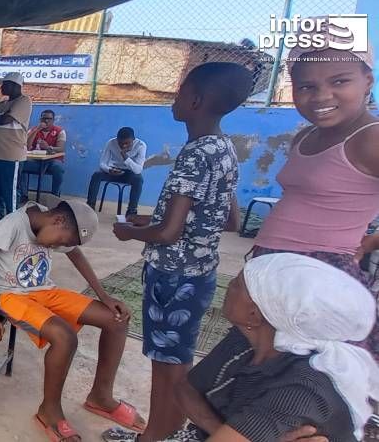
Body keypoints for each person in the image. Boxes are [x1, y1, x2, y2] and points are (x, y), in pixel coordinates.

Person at [110, 62, 253, 442]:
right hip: (201, 271)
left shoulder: (193, 154)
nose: (173, 99)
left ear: (196, 100)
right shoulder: (225, 148)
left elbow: (170, 232)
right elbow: (227, 220)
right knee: (178, 359)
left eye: (178, 91)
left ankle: (152, 437)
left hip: (172, 276)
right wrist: (151, 218)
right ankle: (169, 432)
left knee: (166, 365)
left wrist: (127, 231)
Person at [0, 200, 145, 442]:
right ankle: (49, 411)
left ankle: (101, 397)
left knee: (117, 319)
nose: (60, 246)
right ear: (59, 221)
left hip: (44, 291)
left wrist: (104, 296)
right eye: (62, 241)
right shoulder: (13, 224)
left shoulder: (50, 217)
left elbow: (76, 254)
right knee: (64, 337)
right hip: (9, 296)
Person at [251, 34, 379, 362]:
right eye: (306, 86)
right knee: (251, 380)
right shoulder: (306, 136)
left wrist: (370, 242)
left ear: (368, 80)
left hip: (319, 281)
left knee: (299, 392)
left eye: (340, 81)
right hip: (277, 272)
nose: (321, 96)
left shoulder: (371, 138)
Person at [167, 253, 379, 442]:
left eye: (238, 284)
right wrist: (225, 430)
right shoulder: (249, 337)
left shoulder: (303, 388)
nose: (229, 285)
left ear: (254, 314)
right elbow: (185, 389)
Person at [0, 72, 33, 217]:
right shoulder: (1, 104)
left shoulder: (24, 101)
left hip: (11, 157)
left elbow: (7, 120)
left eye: (5, 84)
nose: (1, 88)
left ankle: (13, 222)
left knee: (10, 193)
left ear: (15, 86)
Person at [86, 127, 147, 217]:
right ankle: (90, 206)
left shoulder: (141, 146)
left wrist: (124, 156)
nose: (123, 146)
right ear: (117, 139)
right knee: (97, 175)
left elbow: (137, 170)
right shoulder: (111, 143)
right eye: (120, 143)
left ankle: (131, 211)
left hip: (130, 173)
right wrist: (109, 170)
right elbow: (102, 163)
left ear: (133, 140)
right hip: (113, 171)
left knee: (138, 179)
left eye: (127, 143)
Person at [19, 109, 66, 200]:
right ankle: (23, 194)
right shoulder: (33, 130)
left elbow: (61, 148)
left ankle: (54, 196)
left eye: (49, 119)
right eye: (44, 118)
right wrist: (37, 130)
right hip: (36, 161)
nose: (46, 121)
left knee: (59, 169)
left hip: (52, 161)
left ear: (53, 120)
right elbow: (27, 146)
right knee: (20, 164)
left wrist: (48, 147)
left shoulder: (60, 131)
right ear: (40, 119)